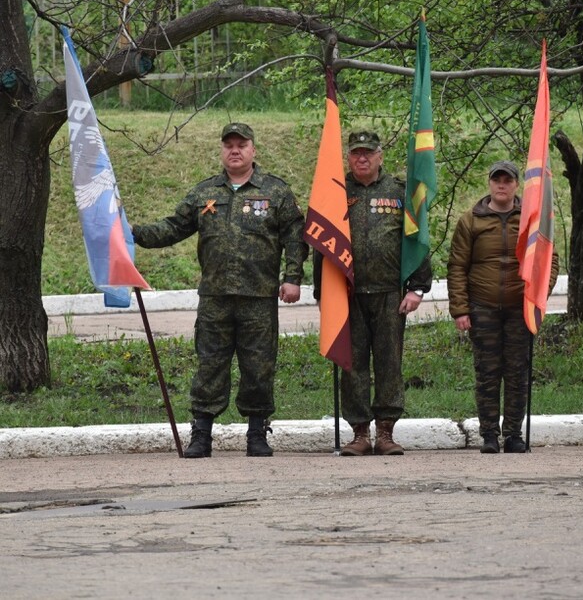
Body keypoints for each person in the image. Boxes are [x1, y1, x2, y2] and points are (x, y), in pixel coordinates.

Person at [132, 122, 307, 458]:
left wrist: (293, 278)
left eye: (242, 144)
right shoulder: (204, 193)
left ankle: (257, 434)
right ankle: (201, 435)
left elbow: (294, 238)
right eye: (229, 145)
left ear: (254, 149)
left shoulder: (276, 192)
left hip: (259, 297)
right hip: (215, 297)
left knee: (259, 367)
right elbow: (173, 227)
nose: (235, 150)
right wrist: (133, 232)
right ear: (222, 150)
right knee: (210, 365)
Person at [314, 130, 433, 457]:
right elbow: (321, 243)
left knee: (388, 363)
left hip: (388, 295)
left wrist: (418, 287)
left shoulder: (399, 192)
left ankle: (385, 432)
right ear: (348, 158)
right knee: (352, 366)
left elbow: (417, 240)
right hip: (347, 294)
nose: (361, 158)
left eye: (368, 153)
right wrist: (322, 292)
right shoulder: (336, 193)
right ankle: (360, 434)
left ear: (380, 155)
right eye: (355, 153)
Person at [447, 160, 559, 454]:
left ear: (516, 185)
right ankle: (489, 435)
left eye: (507, 180)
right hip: (482, 307)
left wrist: (538, 296)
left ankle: (512, 434)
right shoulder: (471, 220)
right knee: (487, 373)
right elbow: (457, 266)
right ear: (489, 183)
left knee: (517, 372)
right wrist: (460, 309)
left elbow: (550, 260)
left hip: (519, 310)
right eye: (496, 179)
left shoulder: (532, 219)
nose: (501, 185)